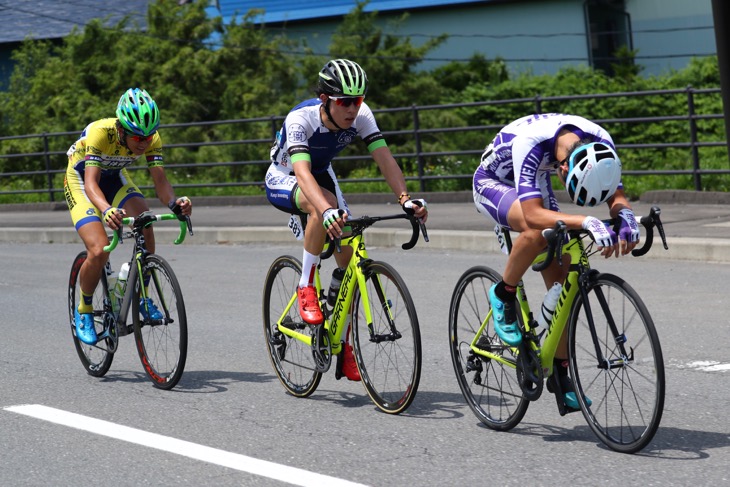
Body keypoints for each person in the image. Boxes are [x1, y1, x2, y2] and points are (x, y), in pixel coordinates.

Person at [265, 58, 428, 381]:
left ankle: (343, 342)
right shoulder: (301, 119)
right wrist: (324, 210)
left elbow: (385, 159)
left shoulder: (362, 116)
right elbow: (301, 172)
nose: (354, 108)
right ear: (326, 100)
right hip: (285, 175)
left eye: (359, 100)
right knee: (320, 207)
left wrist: (405, 200)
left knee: (349, 252)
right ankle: (306, 286)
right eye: (346, 102)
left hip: (322, 173)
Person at [472, 113, 640, 409]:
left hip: (535, 178)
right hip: (494, 182)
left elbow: (616, 195)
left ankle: (561, 376)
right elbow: (533, 214)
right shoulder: (532, 143)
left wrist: (624, 215)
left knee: (564, 286)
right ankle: (503, 293)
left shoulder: (600, 141)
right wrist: (586, 220)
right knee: (536, 230)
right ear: (564, 168)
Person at [64, 88, 192, 345]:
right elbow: (91, 183)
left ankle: (142, 295)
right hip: (82, 181)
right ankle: (85, 310)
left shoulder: (151, 138)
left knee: (145, 220)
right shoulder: (101, 132)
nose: (144, 142)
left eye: (148, 135)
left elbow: (160, 180)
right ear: (121, 128)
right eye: (137, 137)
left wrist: (173, 203)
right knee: (99, 250)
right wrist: (106, 209)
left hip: (115, 178)